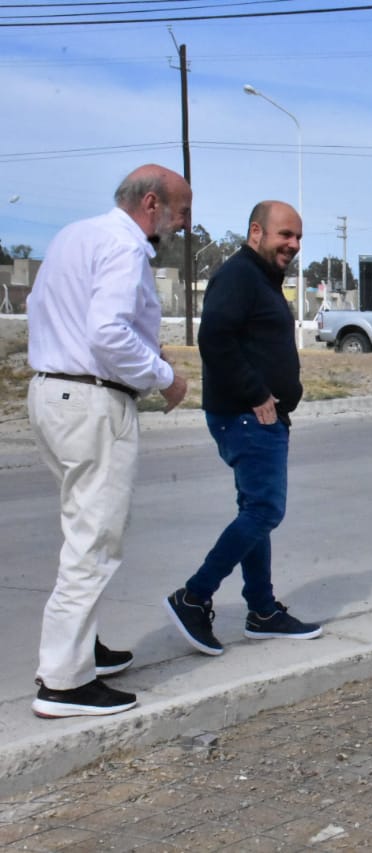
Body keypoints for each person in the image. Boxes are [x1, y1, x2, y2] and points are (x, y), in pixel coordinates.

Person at [26, 164, 191, 718]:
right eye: (181, 213)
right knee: (95, 539)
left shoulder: (74, 235)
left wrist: (146, 356)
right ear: (151, 204)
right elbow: (107, 333)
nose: (183, 226)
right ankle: (64, 684)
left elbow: (55, 315)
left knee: (81, 525)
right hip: (94, 402)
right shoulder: (126, 248)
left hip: (51, 393)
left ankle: (79, 650)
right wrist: (166, 377)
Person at [164, 200, 321, 655]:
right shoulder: (238, 275)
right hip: (248, 416)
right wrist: (257, 393)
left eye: (298, 238)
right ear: (256, 232)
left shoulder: (261, 279)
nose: (292, 245)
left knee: (256, 511)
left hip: (258, 416)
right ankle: (193, 597)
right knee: (265, 511)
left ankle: (263, 611)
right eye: (284, 235)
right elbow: (213, 338)